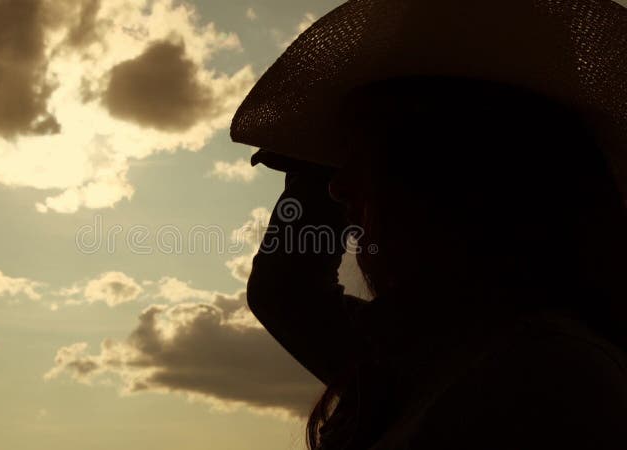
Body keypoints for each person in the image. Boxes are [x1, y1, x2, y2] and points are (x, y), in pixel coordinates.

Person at [230, 1, 627, 449]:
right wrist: (312, 176)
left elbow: (288, 294)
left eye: (363, 156)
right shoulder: (442, 352)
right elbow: (287, 292)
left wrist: (310, 176)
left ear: (442, 172)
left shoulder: (538, 377)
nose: (339, 188)